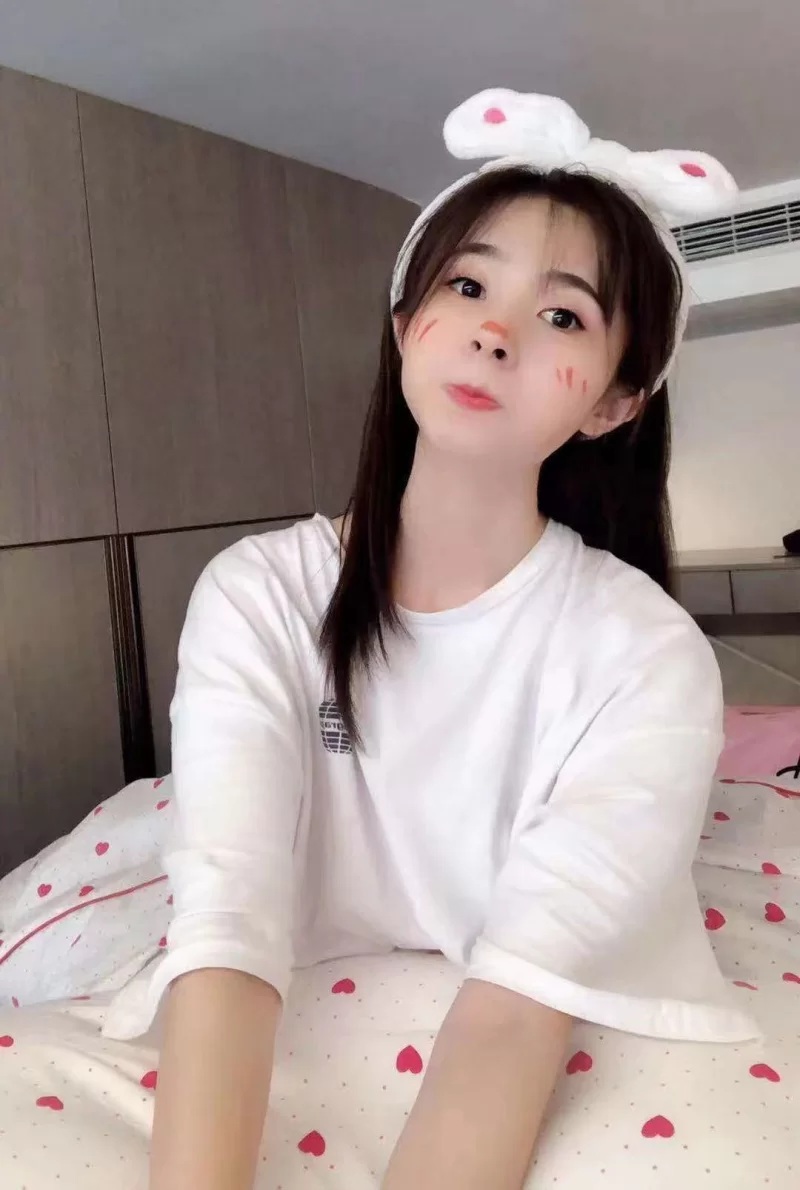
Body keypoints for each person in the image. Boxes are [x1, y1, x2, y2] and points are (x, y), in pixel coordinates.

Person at [144, 90, 757, 1190]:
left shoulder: (644, 654)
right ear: (403, 327)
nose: (494, 330)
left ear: (615, 402)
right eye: (467, 286)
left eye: (562, 316)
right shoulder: (257, 594)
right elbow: (227, 918)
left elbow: (518, 1001)